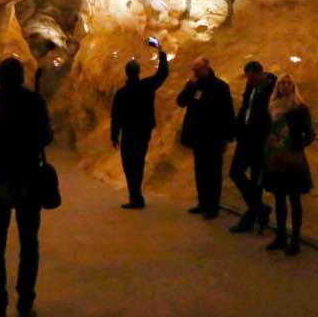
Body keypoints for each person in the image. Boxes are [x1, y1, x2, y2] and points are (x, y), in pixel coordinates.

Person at [0, 56, 53, 317]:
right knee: (29, 243)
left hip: (0, 183)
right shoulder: (36, 104)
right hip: (29, 180)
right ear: (21, 77)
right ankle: (25, 307)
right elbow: (47, 137)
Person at [110, 37, 170, 209]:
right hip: (143, 132)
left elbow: (116, 116)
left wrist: (114, 136)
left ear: (126, 72)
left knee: (129, 165)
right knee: (139, 162)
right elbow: (163, 73)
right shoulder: (147, 86)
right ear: (138, 71)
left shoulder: (122, 93)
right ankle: (136, 196)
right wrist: (161, 51)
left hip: (128, 133)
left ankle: (135, 196)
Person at [176, 57, 235, 219]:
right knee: (200, 171)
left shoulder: (221, 87)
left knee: (213, 174)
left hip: (214, 138)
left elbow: (227, 112)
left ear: (207, 68)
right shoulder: (195, 86)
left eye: (197, 70)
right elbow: (180, 101)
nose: (195, 73)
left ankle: (213, 207)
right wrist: (189, 85)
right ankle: (203, 203)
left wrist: (227, 136)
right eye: (193, 70)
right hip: (197, 136)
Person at [262, 75, 314, 256]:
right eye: (282, 83)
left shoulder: (300, 108)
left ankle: (295, 240)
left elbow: (310, 135)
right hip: (276, 158)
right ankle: (281, 236)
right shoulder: (273, 107)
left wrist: (296, 145)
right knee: (279, 199)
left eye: (288, 83)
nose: (285, 86)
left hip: (293, 159)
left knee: (294, 199)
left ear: (293, 86)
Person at [228, 60, 276, 233]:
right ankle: (260, 209)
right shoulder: (251, 86)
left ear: (260, 74)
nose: (250, 81)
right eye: (248, 79)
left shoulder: (271, 89)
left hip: (259, 142)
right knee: (235, 172)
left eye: (252, 78)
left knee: (256, 181)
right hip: (245, 139)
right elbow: (245, 108)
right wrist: (237, 129)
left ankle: (252, 216)